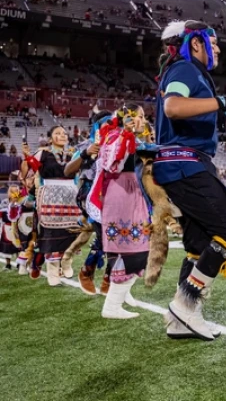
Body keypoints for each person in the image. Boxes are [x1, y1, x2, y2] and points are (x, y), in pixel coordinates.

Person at [151, 20, 226, 340]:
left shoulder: (192, 73)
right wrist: (225, 102)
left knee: (197, 244)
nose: (218, 47)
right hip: (184, 166)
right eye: (214, 41)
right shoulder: (184, 69)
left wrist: (225, 136)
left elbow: (188, 127)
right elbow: (173, 107)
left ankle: (182, 322)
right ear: (196, 44)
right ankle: (184, 305)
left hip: (182, 163)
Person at [87, 105, 150, 319]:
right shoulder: (116, 136)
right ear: (129, 118)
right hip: (122, 194)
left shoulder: (120, 136)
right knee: (134, 249)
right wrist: (126, 134)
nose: (144, 120)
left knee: (126, 248)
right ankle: (112, 306)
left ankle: (120, 297)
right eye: (140, 116)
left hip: (126, 193)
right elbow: (112, 165)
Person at [62, 109, 112, 295]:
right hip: (90, 194)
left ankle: (106, 277)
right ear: (98, 126)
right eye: (107, 123)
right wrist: (85, 153)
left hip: (114, 194)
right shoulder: (88, 144)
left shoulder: (119, 143)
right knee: (106, 236)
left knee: (114, 236)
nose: (112, 126)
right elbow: (67, 171)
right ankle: (88, 272)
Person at [24, 126, 80, 286]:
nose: (62, 135)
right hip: (50, 198)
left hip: (71, 197)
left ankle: (67, 261)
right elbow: (29, 170)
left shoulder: (74, 154)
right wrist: (28, 157)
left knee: (71, 232)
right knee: (51, 233)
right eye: (57, 133)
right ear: (50, 138)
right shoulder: (43, 154)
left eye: (64, 133)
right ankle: (52, 270)